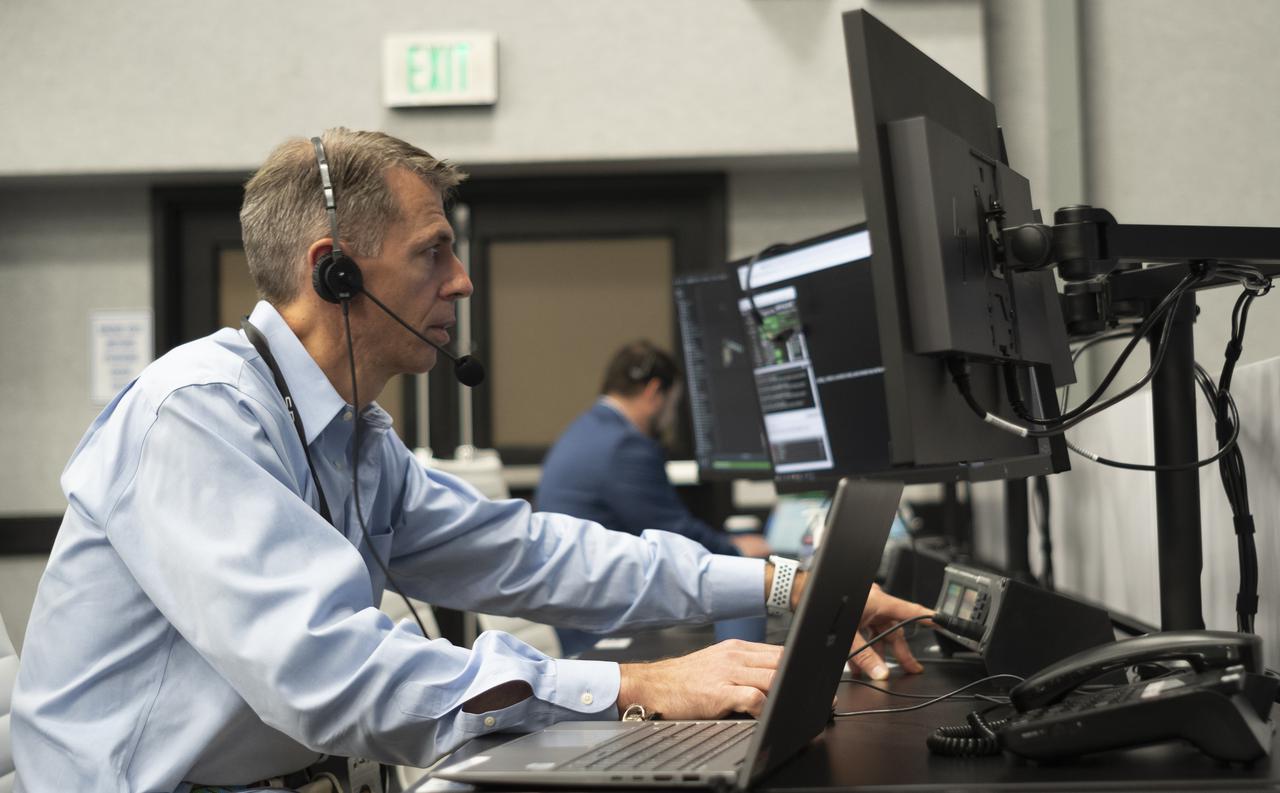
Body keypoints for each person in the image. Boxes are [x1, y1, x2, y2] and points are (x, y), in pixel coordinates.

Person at [11, 128, 930, 792]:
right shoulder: (196, 414)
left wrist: (781, 585)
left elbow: (534, 555)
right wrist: (636, 686)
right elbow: (330, 673)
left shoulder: (357, 437)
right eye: (435, 251)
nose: (462, 280)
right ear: (338, 271)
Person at [537, 341, 772, 654]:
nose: (670, 418)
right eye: (673, 405)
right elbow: (675, 533)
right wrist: (734, 550)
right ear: (653, 392)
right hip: (602, 633)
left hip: (575, 615)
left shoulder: (584, 430)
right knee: (744, 620)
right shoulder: (623, 446)